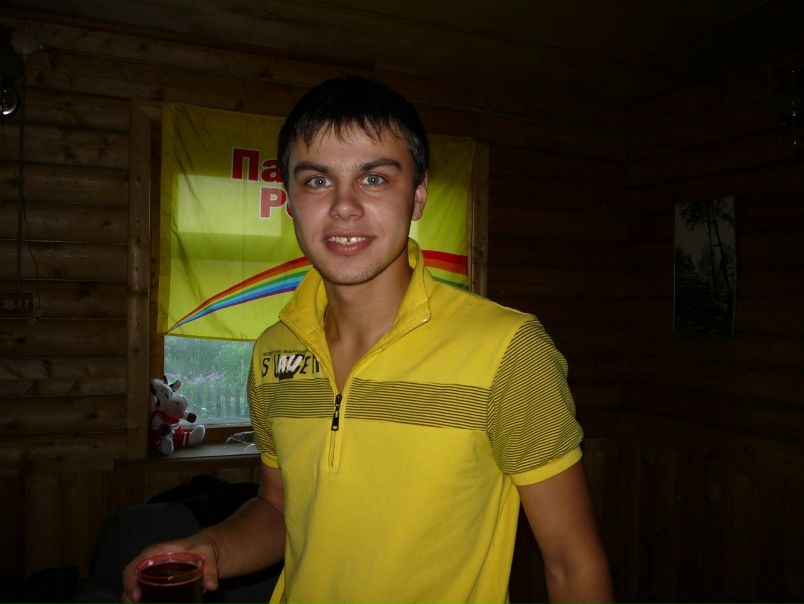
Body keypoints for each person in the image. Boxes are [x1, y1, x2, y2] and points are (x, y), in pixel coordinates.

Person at [123, 76, 614, 604]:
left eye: (374, 178)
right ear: (289, 200)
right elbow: (280, 508)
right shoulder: (273, 350)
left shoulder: (509, 349)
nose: (344, 206)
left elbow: (573, 566)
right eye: (317, 181)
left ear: (418, 195)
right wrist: (212, 549)